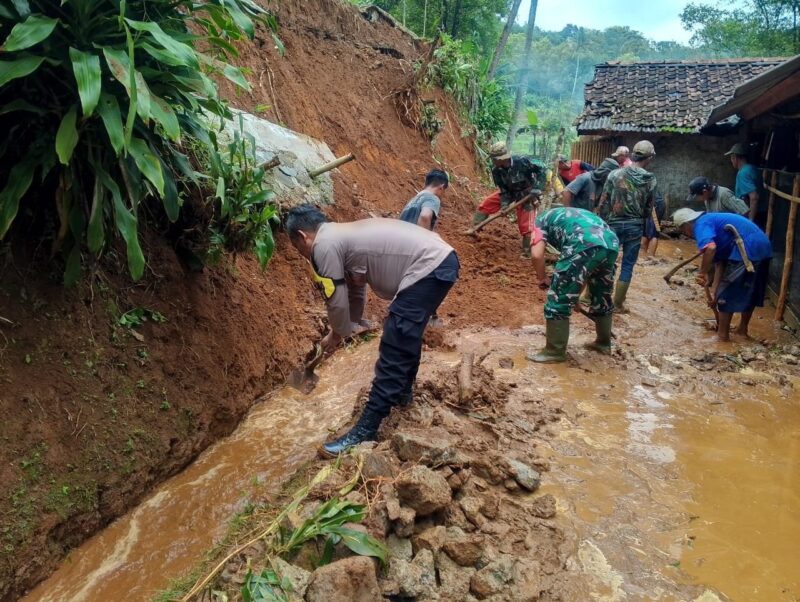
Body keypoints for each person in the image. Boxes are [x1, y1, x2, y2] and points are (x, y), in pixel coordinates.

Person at [286, 205, 459, 455]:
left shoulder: (323, 245)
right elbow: (355, 290)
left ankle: (367, 428)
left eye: (298, 249)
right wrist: (342, 330)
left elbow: (334, 297)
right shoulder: (341, 236)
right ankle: (402, 394)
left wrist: (337, 332)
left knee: (394, 341)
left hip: (428, 265)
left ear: (303, 236)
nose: (304, 256)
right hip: (440, 262)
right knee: (405, 335)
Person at [527, 207, 619, 363]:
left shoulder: (540, 220)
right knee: (601, 295)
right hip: (611, 243)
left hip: (583, 242)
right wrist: (574, 296)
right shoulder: (574, 215)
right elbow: (584, 272)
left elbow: (536, 254)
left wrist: (542, 278)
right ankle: (603, 344)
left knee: (558, 298)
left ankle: (554, 352)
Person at [672, 209, 772, 342]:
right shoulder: (712, 221)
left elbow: (710, 248)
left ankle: (722, 336)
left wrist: (702, 273)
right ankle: (742, 331)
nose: (687, 234)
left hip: (746, 249)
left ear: (686, 225)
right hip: (763, 248)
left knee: (725, 295)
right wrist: (714, 289)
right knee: (750, 292)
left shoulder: (701, 224)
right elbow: (720, 264)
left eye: (683, 231)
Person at [597, 140, 657, 313]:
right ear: (650, 158)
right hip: (635, 225)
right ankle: (618, 304)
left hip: (613, 223)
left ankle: (596, 297)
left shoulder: (614, 174)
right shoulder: (650, 179)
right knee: (628, 265)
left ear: (633, 155)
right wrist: (641, 219)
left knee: (606, 261)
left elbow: (603, 202)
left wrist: (602, 222)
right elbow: (649, 207)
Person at [473, 142, 544, 258]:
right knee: (486, 204)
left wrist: (537, 187)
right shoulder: (496, 170)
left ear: (502, 158)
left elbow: (542, 169)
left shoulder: (522, 161)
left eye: (495, 158)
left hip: (526, 194)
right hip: (510, 192)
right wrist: (504, 205)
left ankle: (527, 253)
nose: (493, 161)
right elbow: (503, 189)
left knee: (527, 225)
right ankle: (475, 228)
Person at [725, 142, 766, 229]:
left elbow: (754, 197)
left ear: (735, 157)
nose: (731, 161)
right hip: (761, 211)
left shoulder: (743, 173)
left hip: (754, 213)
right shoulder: (752, 168)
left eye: (731, 158)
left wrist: (750, 220)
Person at [641, 191, 666, 257]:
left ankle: (650, 257)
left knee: (653, 233)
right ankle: (643, 256)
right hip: (655, 204)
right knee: (646, 232)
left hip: (653, 205)